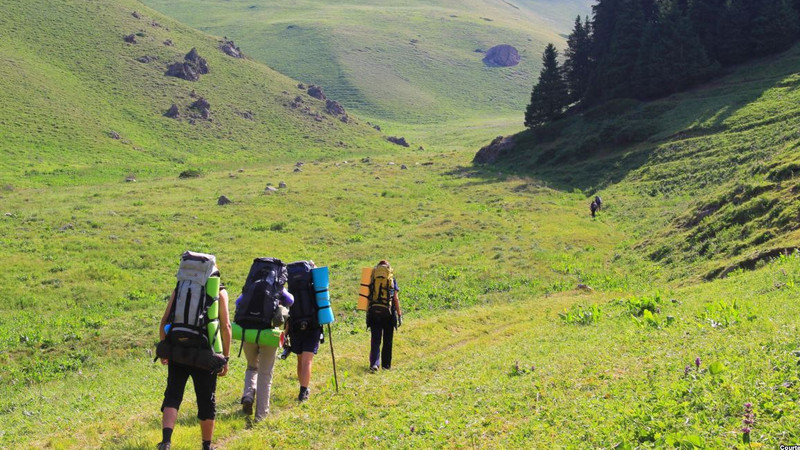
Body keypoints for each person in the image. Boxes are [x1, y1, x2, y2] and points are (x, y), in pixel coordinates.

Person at [158, 265, 231, 450]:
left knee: (173, 396)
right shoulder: (219, 292)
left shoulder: (181, 287)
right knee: (206, 400)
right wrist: (225, 358)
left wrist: (165, 348)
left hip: (178, 351)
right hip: (205, 356)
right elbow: (226, 327)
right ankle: (207, 446)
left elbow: (164, 321)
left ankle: (166, 442)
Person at [240, 286, 294, 421]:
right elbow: (290, 300)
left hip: (249, 333)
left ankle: (248, 395)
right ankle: (261, 415)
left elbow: (238, 303)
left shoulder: (251, 285)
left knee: (252, 366)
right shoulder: (277, 286)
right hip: (269, 334)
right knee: (265, 374)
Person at [286, 260, 322, 402]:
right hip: (312, 323)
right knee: (308, 360)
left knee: (300, 359)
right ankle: (303, 391)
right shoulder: (312, 283)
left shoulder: (291, 283)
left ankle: (302, 388)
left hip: (295, 324)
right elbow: (323, 285)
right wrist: (314, 266)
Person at [367, 260, 402, 372]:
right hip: (388, 313)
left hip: (373, 312)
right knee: (387, 340)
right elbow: (395, 298)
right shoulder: (391, 279)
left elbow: (366, 296)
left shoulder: (372, 277)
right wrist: (399, 313)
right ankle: (386, 366)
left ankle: (374, 364)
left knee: (375, 340)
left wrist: (368, 312)